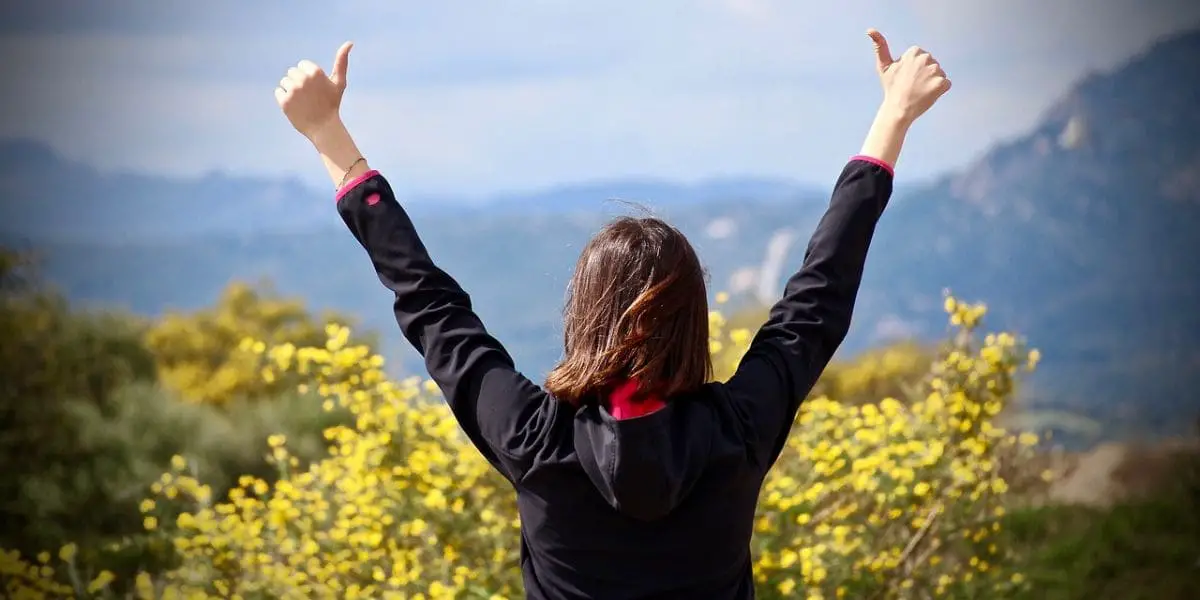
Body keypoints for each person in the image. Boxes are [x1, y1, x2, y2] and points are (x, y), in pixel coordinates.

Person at [274, 28, 950, 600]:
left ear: (583, 313)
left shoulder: (532, 436)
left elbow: (427, 300)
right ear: (693, 319)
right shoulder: (736, 431)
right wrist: (892, 119)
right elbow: (820, 296)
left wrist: (328, 133)